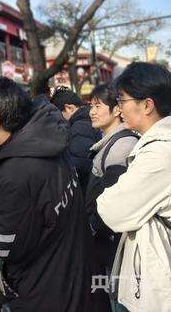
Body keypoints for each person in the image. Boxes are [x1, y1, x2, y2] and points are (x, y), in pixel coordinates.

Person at [0, 78, 100, 311]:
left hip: (44, 291)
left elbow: (3, 247)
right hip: (76, 277)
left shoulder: (16, 171)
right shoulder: (48, 141)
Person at [97, 63, 171, 311]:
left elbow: (111, 210)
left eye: (122, 100)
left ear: (147, 105)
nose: (119, 108)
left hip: (157, 283)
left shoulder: (159, 153)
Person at [86, 84, 139, 286]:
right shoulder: (110, 142)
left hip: (114, 243)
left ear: (117, 109)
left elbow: (117, 203)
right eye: (91, 106)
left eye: (98, 106)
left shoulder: (121, 147)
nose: (92, 112)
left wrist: (92, 227)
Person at [51, 87, 101, 190]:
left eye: (59, 114)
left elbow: (82, 162)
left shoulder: (80, 126)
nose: (59, 120)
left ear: (69, 108)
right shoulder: (88, 119)